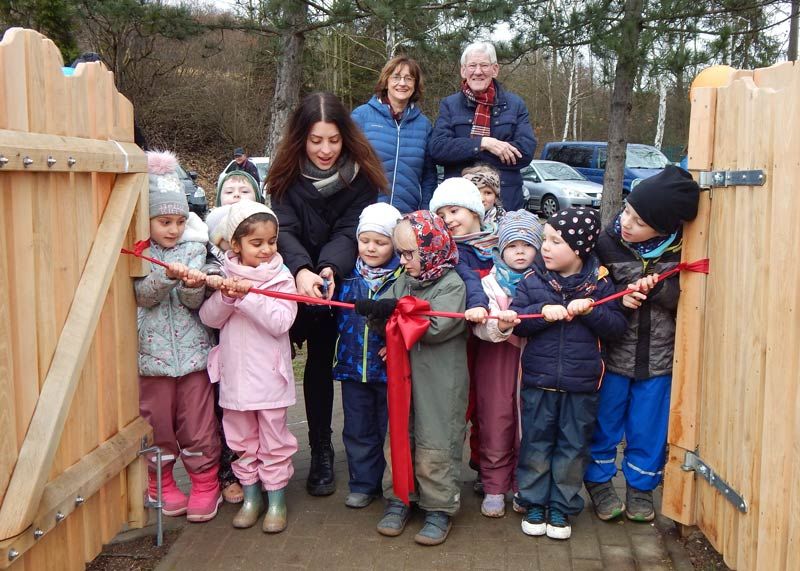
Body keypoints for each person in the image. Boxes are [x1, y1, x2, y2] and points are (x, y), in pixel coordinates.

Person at [267, 92, 387, 496]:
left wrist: (328, 268)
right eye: (316, 140)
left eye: (333, 140)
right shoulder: (284, 174)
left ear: (345, 138)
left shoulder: (362, 177)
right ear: (301, 138)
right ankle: (271, 454)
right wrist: (300, 269)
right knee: (278, 367)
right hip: (290, 276)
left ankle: (328, 450)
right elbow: (283, 226)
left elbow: (349, 230)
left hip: (339, 277)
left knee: (327, 361)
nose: (324, 150)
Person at [584, 166, 700, 522]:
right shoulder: (606, 243)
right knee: (604, 422)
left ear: (664, 229)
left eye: (638, 221)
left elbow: (692, 297)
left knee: (648, 428)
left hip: (659, 360)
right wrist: (620, 297)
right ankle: (599, 483)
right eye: (627, 212)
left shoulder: (682, 251)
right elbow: (591, 286)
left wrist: (661, 289)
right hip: (614, 355)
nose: (627, 223)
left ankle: (641, 488)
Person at [511, 207, 626, 540]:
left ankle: (561, 506)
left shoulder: (600, 284)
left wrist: (589, 312)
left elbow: (616, 326)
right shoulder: (533, 280)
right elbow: (517, 319)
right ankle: (533, 501)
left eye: (555, 241)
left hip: (582, 386)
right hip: (539, 382)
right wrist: (542, 313)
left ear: (578, 249)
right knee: (536, 444)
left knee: (572, 448)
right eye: (545, 239)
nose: (545, 247)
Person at [358, 211, 468, 546]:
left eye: (410, 254)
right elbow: (394, 316)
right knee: (401, 433)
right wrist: (379, 318)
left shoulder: (452, 284)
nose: (404, 261)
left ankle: (439, 505)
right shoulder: (405, 278)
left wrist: (394, 314)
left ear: (432, 249)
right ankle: (400, 496)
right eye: (401, 254)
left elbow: (434, 327)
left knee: (436, 437)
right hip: (405, 378)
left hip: (440, 382)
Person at [199, 200, 299, 533]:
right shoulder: (223, 276)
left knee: (274, 440)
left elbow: (281, 321)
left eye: (272, 241)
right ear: (235, 244)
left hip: (271, 379)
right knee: (241, 440)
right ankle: (251, 497)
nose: (267, 249)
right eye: (257, 243)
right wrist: (227, 297)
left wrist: (247, 296)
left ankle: (276, 500)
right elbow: (208, 318)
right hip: (235, 381)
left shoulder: (282, 277)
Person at [135, 150, 221, 523]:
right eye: (164, 221)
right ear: (147, 219)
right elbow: (143, 295)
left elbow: (193, 302)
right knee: (158, 424)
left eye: (179, 221)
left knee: (198, 424)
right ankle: (162, 482)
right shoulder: (138, 253)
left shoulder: (194, 248)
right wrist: (167, 276)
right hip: (151, 359)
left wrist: (189, 284)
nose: (172, 229)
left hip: (193, 357)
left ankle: (205, 482)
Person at [471, 210, 543, 517]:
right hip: (496, 359)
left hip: (534, 362)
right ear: (500, 249)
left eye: (527, 245)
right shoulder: (489, 284)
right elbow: (478, 326)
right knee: (495, 420)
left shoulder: (545, 281)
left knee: (529, 423)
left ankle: (523, 484)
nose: (520, 252)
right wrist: (498, 326)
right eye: (512, 245)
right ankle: (494, 485)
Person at [333, 203, 404, 509]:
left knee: (388, 428)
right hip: (351, 367)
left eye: (381, 242)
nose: (371, 248)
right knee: (358, 428)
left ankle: (392, 483)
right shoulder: (346, 277)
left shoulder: (402, 278)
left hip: (388, 369)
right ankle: (363, 483)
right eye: (365, 241)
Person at [429, 177, 496, 492]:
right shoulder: (446, 252)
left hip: (495, 340)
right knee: (460, 403)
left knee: (489, 403)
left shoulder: (497, 246)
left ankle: (485, 463)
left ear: (475, 212)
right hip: (459, 339)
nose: (449, 220)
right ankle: (448, 470)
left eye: (455, 210)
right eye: (441, 215)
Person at [428, 41, 536, 211]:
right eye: (472, 66)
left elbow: (525, 151)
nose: (478, 72)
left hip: (505, 201)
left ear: (495, 69)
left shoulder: (515, 105)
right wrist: (484, 143)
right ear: (463, 70)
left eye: (484, 65)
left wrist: (465, 154)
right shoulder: (449, 104)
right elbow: (438, 149)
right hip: (459, 202)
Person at [351, 55, 437, 213]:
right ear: (386, 81)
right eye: (396, 77)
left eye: (409, 78)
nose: (402, 83)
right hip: (366, 214)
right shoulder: (362, 116)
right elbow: (346, 164)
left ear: (415, 84)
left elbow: (429, 176)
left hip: (407, 216)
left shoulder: (424, 125)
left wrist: (424, 211)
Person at [461, 163, 504, 229]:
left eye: (488, 193)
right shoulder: (456, 219)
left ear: (496, 197)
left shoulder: (504, 221)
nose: (481, 199)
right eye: (475, 192)